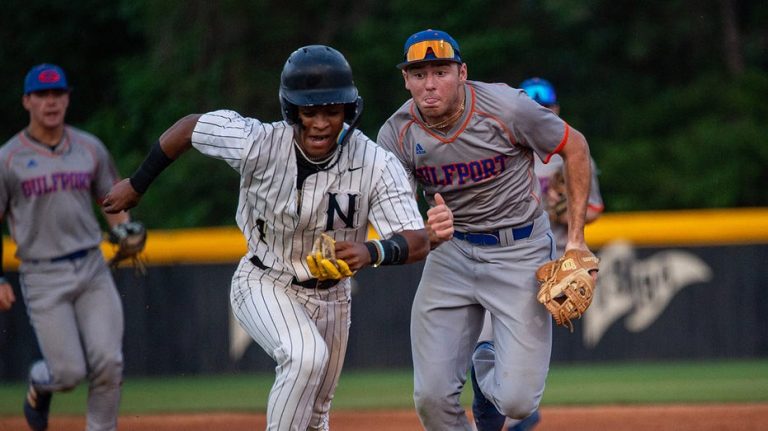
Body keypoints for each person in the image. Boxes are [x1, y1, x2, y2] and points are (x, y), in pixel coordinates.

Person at [102, 45, 430, 431]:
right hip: (264, 279)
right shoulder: (256, 142)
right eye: (310, 112)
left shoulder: (375, 162)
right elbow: (191, 127)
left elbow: (417, 239)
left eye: (331, 111)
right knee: (304, 356)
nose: (321, 123)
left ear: (348, 110)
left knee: (315, 416)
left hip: (333, 297)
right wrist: (138, 184)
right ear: (292, 111)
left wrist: (372, 250)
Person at [376, 30, 598, 431]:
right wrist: (425, 230)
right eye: (418, 73)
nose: (430, 83)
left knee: (516, 402)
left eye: (440, 71)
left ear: (462, 73)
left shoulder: (508, 107)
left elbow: (575, 146)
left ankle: (485, 375)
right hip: (451, 253)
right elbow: (396, 211)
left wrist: (576, 241)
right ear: (405, 80)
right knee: (431, 398)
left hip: (520, 249)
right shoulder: (396, 134)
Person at [0, 64, 133, 431]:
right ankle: (40, 383)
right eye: (42, 95)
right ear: (27, 101)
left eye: (57, 93)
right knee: (68, 372)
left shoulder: (90, 148)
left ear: (68, 98)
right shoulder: (8, 158)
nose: (51, 101)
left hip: (91, 267)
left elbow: (114, 202)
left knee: (109, 363)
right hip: (42, 273)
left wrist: (127, 232)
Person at [475, 77, 606, 431]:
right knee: (485, 338)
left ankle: (519, 412)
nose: (541, 114)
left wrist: (563, 210)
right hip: (508, 252)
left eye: (546, 108)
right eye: (535, 108)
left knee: (515, 341)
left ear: (556, 110)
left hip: (554, 260)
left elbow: (593, 208)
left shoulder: (571, 154)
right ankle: (515, 412)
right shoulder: (502, 150)